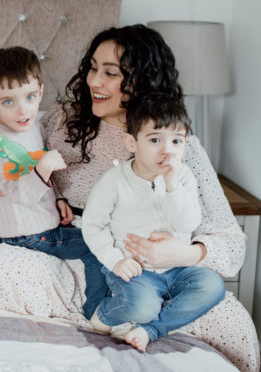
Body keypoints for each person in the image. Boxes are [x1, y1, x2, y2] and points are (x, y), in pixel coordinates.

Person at [0, 25, 255, 370]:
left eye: (110, 73)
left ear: (143, 79)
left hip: (150, 270)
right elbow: (5, 193)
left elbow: (232, 244)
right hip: (66, 259)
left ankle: (136, 318)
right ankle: (109, 318)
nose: (94, 82)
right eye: (92, 68)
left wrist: (186, 252)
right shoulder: (61, 120)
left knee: (229, 318)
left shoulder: (178, 145)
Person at [82, 93, 225, 351]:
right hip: (136, 268)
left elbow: (188, 223)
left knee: (213, 286)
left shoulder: (183, 178)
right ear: (131, 143)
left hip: (177, 267)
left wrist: (172, 186)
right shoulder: (115, 180)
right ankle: (105, 313)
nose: (167, 150)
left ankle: (153, 330)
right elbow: (92, 225)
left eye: (176, 141)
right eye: (155, 139)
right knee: (142, 306)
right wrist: (116, 261)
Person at [0, 46, 106, 320]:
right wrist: (44, 167)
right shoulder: (0, 144)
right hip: (31, 233)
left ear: (40, 93)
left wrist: (57, 197)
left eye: (30, 97)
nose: (23, 110)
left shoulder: (32, 126)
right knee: (97, 246)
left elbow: (38, 168)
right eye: (8, 102)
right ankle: (96, 311)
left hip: (26, 224)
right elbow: (20, 193)